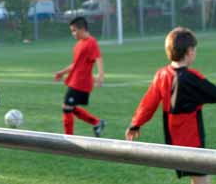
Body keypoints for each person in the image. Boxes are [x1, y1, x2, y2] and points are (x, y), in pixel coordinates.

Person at [126, 27, 216, 184]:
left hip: (173, 138)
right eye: (194, 49)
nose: (195, 52)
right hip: (192, 138)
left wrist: (135, 124)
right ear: (189, 51)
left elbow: (148, 103)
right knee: (202, 177)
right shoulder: (191, 78)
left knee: (197, 177)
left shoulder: (162, 74)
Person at [54, 17, 105, 136]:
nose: (73, 34)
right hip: (75, 81)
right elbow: (75, 64)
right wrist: (62, 72)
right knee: (69, 107)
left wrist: (101, 75)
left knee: (67, 108)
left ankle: (69, 138)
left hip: (81, 82)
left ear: (82, 29)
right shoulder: (79, 45)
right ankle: (97, 122)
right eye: (71, 31)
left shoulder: (91, 42)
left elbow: (98, 57)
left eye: (74, 30)